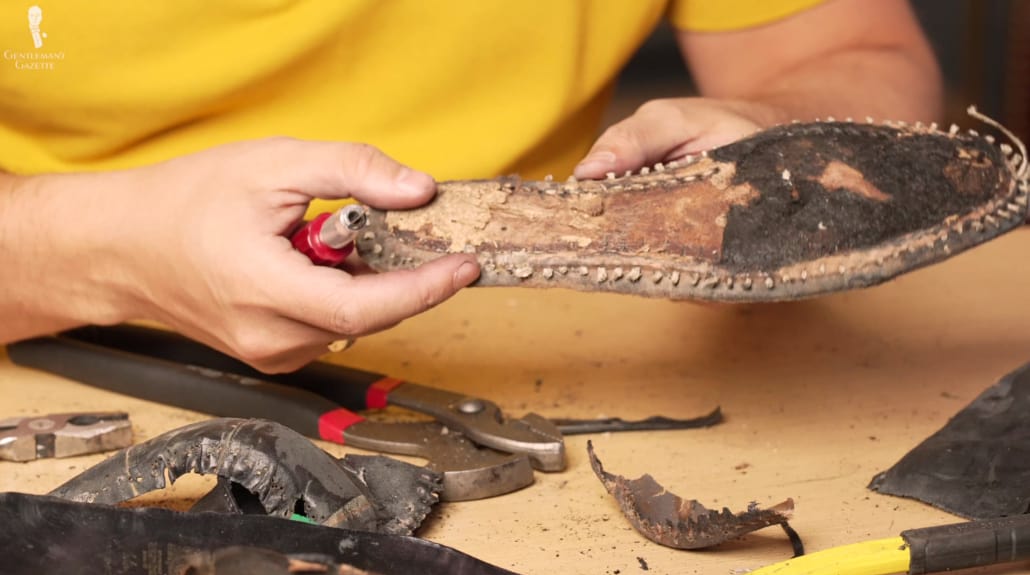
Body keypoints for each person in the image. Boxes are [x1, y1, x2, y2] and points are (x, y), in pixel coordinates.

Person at [0, 0, 941, 372]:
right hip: (53, 347)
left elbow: (849, 50)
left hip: (602, 361)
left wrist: (784, 143)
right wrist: (95, 251)